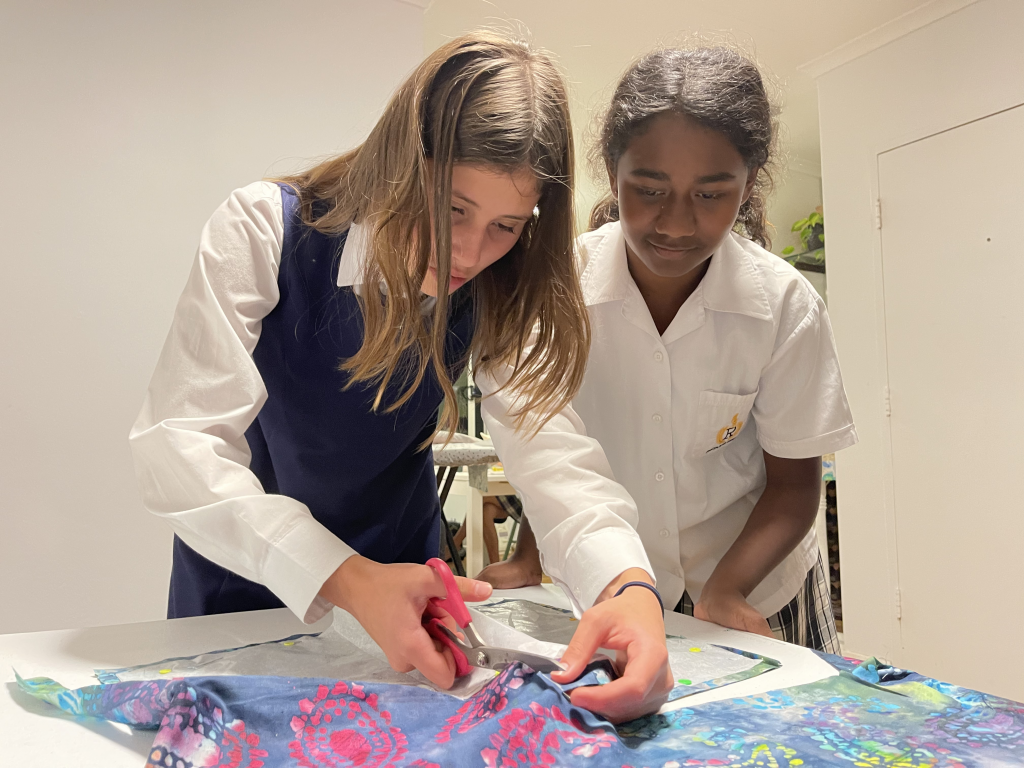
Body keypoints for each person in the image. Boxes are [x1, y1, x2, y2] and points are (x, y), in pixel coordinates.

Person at [129, 32, 670, 719]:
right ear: (400, 160)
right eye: (451, 210)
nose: (471, 252)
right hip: (245, 590)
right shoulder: (264, 227)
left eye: (507, 224)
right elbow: (178, 444)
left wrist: (630, 591)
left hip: (416, 603)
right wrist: (351, 582)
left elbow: (553, 454)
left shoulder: (500, 282)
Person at [480, 47, 857, 654]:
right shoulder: (556, 295)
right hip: (620, 585)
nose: (676, 223)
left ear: (748, 183)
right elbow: (552, 450)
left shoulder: (784, 306)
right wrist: (529, 556)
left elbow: (793, 486)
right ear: (612, 171)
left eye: (710, 195)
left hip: (757, 588)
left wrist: (728, 592)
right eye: (649, 189)